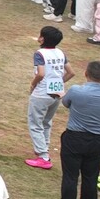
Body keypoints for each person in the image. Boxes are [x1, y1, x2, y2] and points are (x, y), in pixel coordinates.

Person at [51, 61, 100, 199]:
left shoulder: (76, 91)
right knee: (90, 177)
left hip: (74, 137)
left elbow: (66, 103)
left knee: (70, 177)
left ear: (86, 74)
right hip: (96, 140)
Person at [25, 25, 70, 169]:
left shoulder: (40, 53)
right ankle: (45, 150)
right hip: (56, 93)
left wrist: (33, 85)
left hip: (41, 94)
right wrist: (58, 82)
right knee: (46, 122)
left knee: (35, 123)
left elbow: (41, 73)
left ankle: (43, 155)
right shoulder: (61, 53)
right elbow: (71, 72)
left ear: (42, 38)